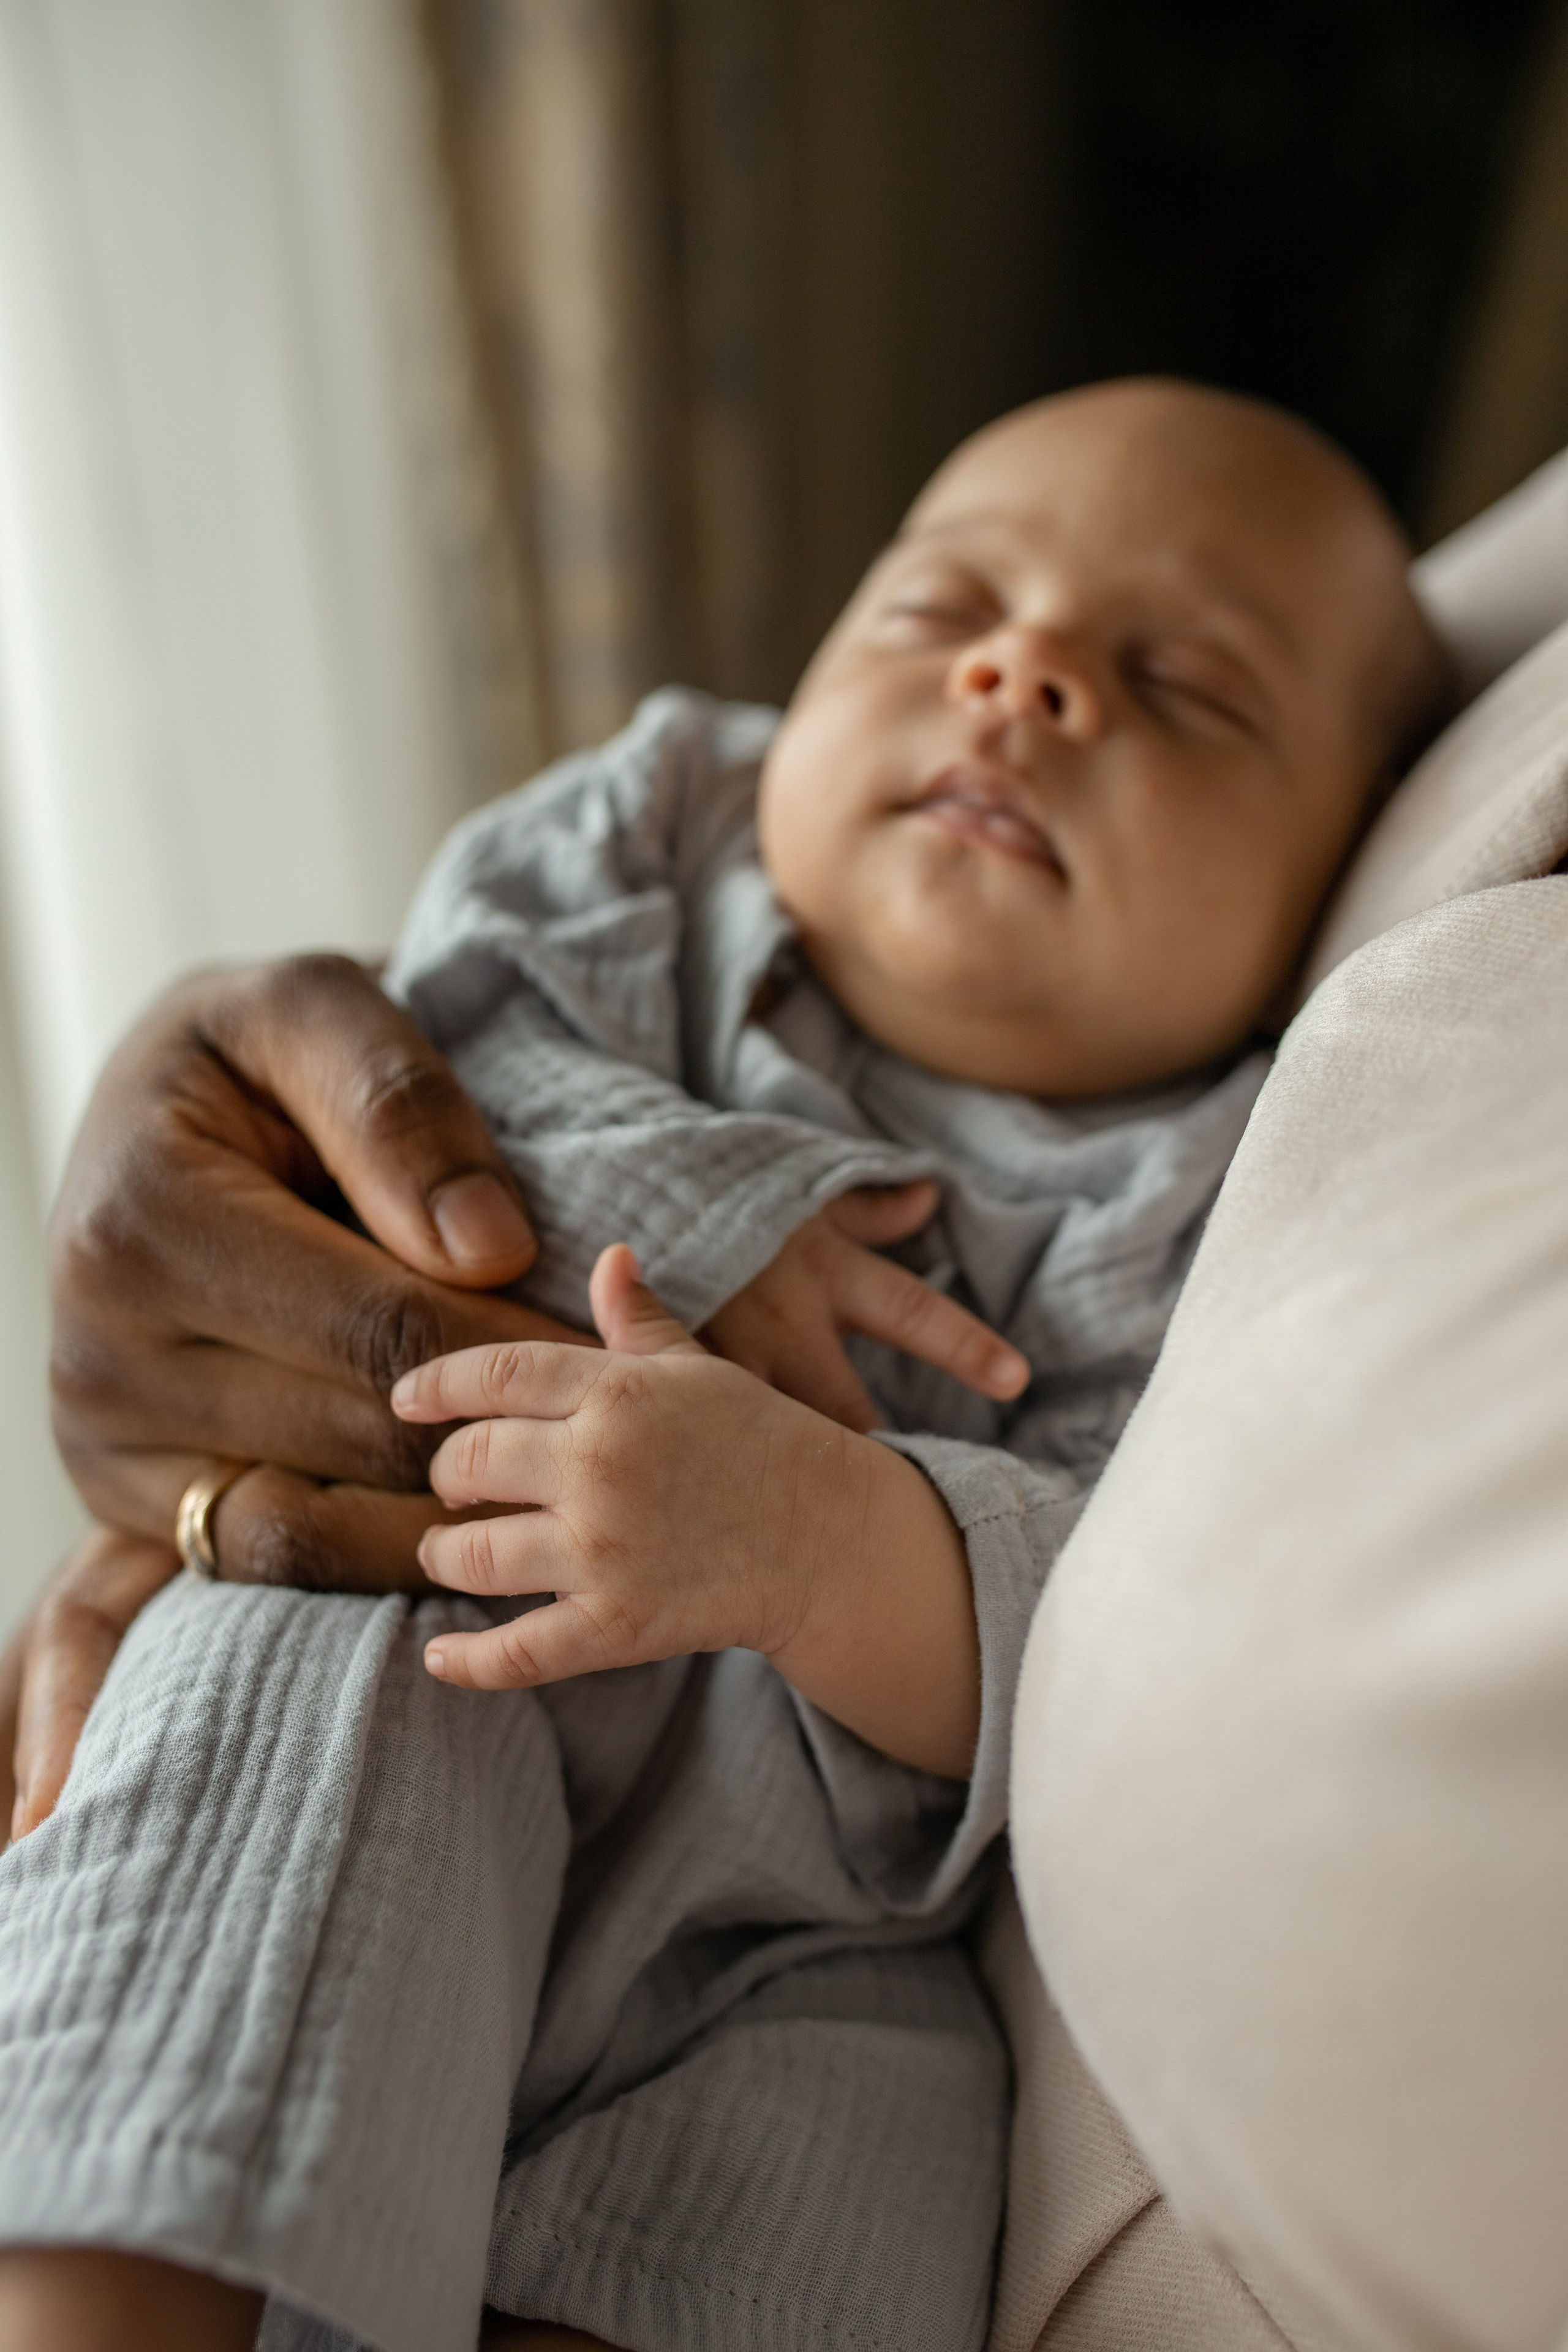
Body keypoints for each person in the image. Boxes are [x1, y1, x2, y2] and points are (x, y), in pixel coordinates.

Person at [0, 380, 1448, 2352]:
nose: (1022, 678)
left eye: (1187, 688)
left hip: (807, 1919)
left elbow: (1137, 1607)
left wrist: (821, 1544)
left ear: (1330, 891)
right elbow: (450, 1039)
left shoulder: (1244, 1178)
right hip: (439, 1633)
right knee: (259, 1744)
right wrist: (712, 1208)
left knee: (868, 2154)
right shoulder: (667, 823)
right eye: (944, 612)